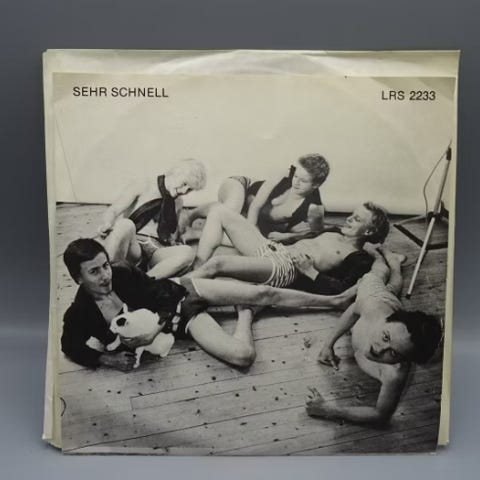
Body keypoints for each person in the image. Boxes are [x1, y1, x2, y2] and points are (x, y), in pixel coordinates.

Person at [61, 239, 355, 372]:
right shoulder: (80, 312)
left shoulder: (122, 271)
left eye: (105, 266)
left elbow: (164, 294)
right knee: (242, 356)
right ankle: (245, 313)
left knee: (265, 292)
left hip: (180, 292)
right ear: (78, 278)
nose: (105, 276)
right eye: (94, 272)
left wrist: (153, 332)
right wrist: (108, 360)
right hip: (183, 321)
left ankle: (335, 300)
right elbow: (69, 345)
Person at [306, 243, 442, 425]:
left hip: (391, 304)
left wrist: (329, 410)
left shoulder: (395, 374)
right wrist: (328, 345)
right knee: (378, 273)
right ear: (386, 320)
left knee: (394, 287)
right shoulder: (372, 308)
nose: (379, 349)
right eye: (385, 337)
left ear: (403, 360)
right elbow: (353, 309)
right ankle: (381, 255)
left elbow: (380, 416)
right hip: (376, 295)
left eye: (393, 353)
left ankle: (395, 262)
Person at [187, 201, 390, 295]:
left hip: (286, 268)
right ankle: (196, 269)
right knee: (219, 211)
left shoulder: (359, 258)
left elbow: (343, 290)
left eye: (357, 219)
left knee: (218, 263)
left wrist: (310, 271)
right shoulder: (336, 231)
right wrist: (287, 236)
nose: (349, 219)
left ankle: (179, 286)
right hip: (274, 249)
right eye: (351, 214)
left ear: (369, 231)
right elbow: (310, 236)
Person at [180, 154, 330, 244]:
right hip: (241, 187)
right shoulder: (285, 173)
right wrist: (250, 233)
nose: (296, 182)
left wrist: (287, 236)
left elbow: (315, 234)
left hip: (251, 216)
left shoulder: (314, 208)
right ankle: (192, 214)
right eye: (296, 176)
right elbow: (256, 206)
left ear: (316, 184)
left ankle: (197, 234)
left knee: (252, 240)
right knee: (232, 212)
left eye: (303, 181)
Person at [97, 158, 207, 279]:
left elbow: (172, 234)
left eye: (190, 189)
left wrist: (177, 240)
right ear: (175, 173)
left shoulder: (178, 202)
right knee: (125, 225)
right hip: (134, 246)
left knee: (188, 252)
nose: (184, 191)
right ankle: (107, 276)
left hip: (157, 251)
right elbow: (114, 210)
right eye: (184, 183)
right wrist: (107, 223)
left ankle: (144, 282)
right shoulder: (144, 185)